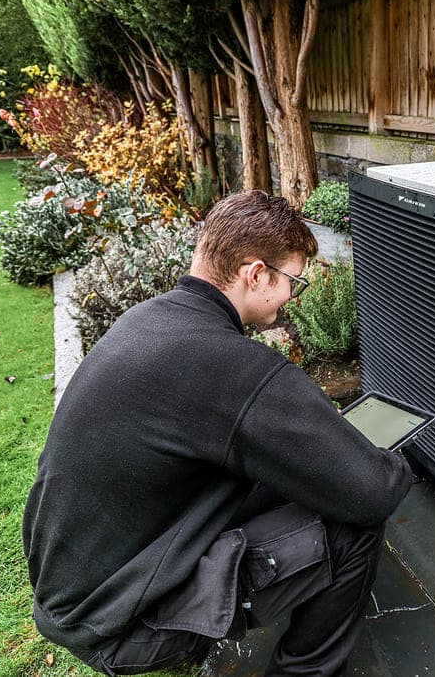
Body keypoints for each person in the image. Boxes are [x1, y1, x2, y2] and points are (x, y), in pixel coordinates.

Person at [22, 190, 414, 676]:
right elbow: (373, 494)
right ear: (255, 274)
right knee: (354, 527)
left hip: (78, 587)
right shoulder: (232, 368)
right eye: (293, 281)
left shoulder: (151, 318)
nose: (293, 297)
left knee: (287, 474)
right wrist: (389, 463)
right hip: (121, 625)